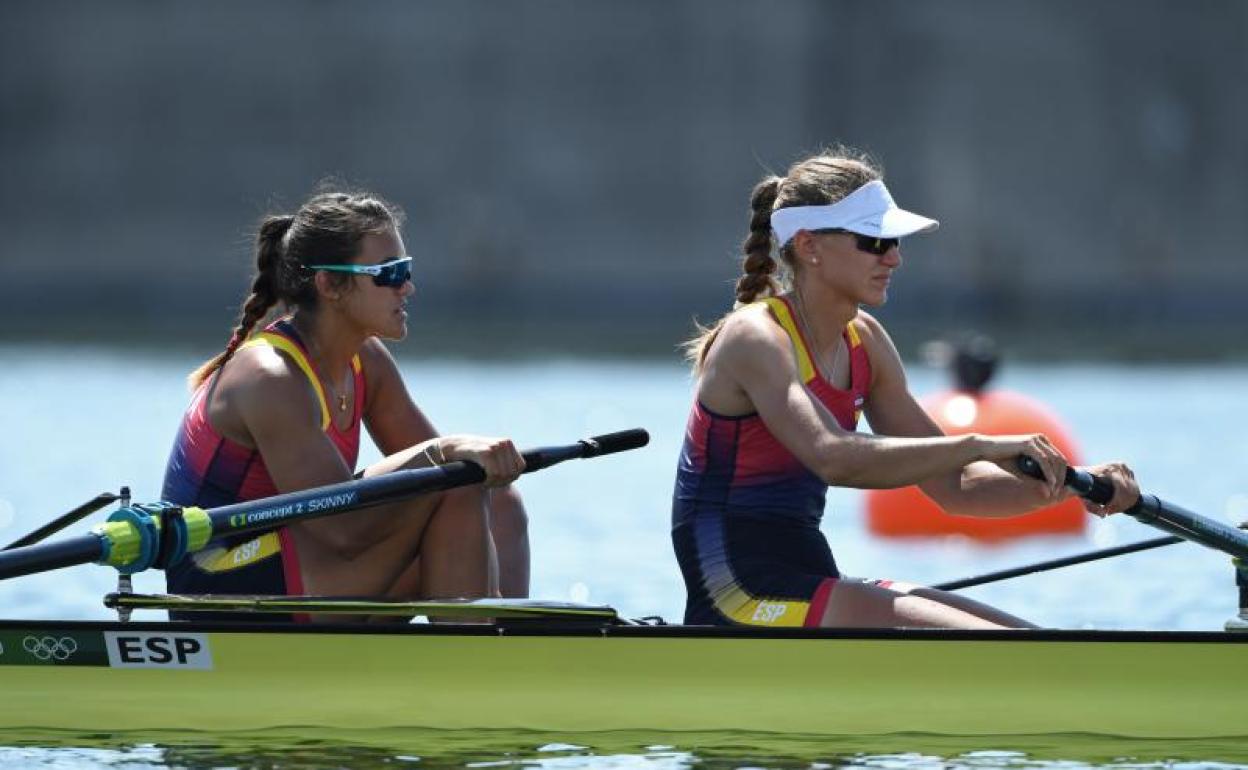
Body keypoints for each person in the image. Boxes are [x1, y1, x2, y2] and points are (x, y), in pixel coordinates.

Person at [672, 148, 1139, 629]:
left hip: (808, 575)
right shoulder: (756, 337)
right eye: (874, 242)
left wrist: (1075, 485)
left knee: (1024, 639)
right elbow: (833, 456)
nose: (894, 257)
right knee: (994, 648)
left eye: (893, 241)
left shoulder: (865, 341)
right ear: (810, 246)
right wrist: (979, 443)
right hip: (732, 592)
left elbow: (958, 488)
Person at [162, 189, 530, 621]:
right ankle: (477, 662)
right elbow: (341, 530)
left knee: (496, 496)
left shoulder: (366, 361)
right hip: (222, 581)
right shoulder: (269, 378)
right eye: (389, 274)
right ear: (330, 284)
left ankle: (505, 642)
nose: (407, 287)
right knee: (455, 482)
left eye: (406, 269)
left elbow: (453, 481)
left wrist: (464, 462)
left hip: (303, 559)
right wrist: (445, 450)